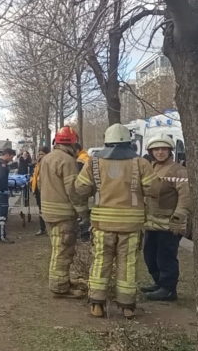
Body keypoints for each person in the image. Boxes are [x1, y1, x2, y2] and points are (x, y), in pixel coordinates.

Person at [75, 123, 158, 318]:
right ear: (129, 142)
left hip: (102, 224)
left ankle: (96, 304)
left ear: (106, 141)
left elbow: (80, 189)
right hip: (131, 225)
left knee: (100, 261)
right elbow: (153, 190)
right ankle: (127, 306)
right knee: (127, 264)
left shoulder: (94, 162)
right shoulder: (141, 163)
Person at [39, 126, 89, 298]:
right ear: (73, 142)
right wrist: (84, 213)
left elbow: (40, 185)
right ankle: (60, 287)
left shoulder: (47, 159)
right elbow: (73, 192)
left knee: (57, 249)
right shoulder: (67, 161)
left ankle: (63, 281)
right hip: (63, 215)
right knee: (63, 252)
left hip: (48, 213)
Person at [141, 134, 191, 301]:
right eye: (156, 149)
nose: (160, 152)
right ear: (151, 151)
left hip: (170, 224)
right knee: (149, 255)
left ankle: (168, 289)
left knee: (166, 256)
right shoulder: (152, 167)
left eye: (164, 149)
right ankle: (159, 283)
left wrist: (178, 217)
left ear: (170, 151)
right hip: (152, 223)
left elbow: (186, 196)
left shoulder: (179, 170)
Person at [31, 146, 50, 236]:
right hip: (38, 190)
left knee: (47, 210)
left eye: (42, 154)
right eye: (39, 154)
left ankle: (48, 228)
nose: (41, 156)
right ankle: (42, 228)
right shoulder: (38, 163)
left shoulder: (49, 163)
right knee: (41, 210)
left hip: (46, 190)